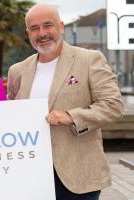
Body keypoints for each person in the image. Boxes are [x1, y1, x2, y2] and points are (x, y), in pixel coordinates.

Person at [7, 4, 123, 200]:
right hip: (32, 176)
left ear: (61, 26)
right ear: (28, 33)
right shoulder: (17, 71)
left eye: (47, 25)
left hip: (78, 176)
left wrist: (71, 116)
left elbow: (113, 106)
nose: (42, 33)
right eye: (34, 28)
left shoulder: (89, 60)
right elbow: (11, 116)